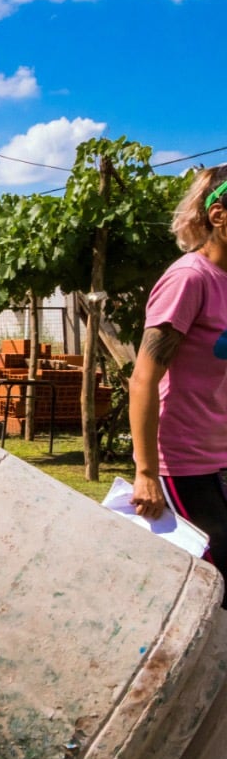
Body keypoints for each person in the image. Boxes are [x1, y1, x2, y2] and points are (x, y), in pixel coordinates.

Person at [130, 163, 227, 591]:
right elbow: (144, 379)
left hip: (219, 455)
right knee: (214, 579)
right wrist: (146, 472)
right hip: (182, 464)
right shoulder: (190, 279)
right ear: (218, 215)